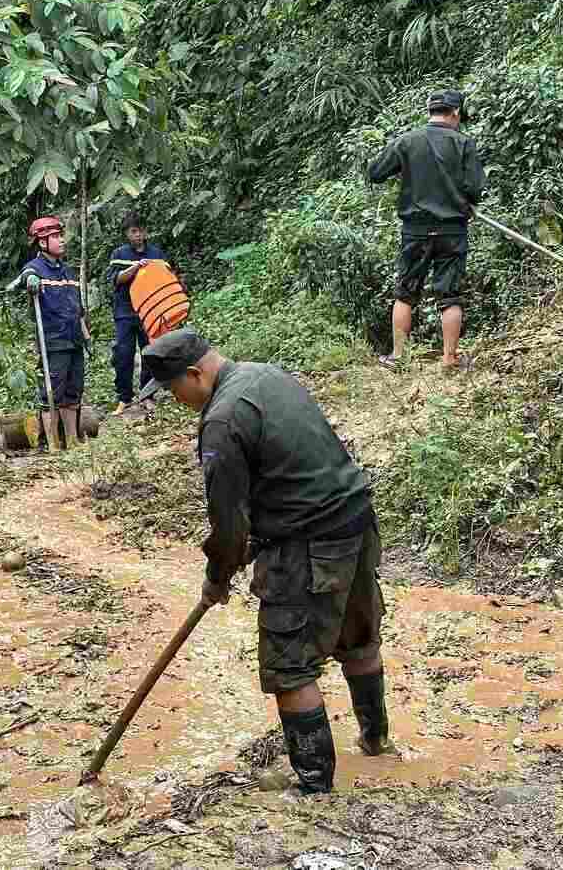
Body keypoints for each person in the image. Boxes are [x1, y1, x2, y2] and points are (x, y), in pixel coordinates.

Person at [136, 328, 390, 796]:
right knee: (358, 640)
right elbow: (290, 468)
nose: (177, 400)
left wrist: (218, 576)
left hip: (308, 545)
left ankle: (315, 789)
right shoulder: (266, 375)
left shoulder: (222, 420)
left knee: (289, 666)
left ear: (194, 374)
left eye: (174, 390)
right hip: (357, 523)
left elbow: (229, 520)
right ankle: (376, 743)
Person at [367, 89, 486, 373]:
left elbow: (375, 172)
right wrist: (465, 201)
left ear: (430, 110)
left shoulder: (407, 141)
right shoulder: (463, 143)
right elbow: (476, 189)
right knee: (450, 295)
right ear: (455, 112)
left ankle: (398, 358)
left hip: (415, 231)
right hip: (452, 231)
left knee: (405, 292)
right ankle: (450, 360)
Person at [19, 215, 91, 449]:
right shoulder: (35, 269)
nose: (62, 241)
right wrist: (30, 280)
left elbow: (77, 308)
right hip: (53, 341)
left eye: (61, 236)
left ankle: (71, 440)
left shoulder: (67, 271)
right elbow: (24, 277)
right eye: (56, 237)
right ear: (42, 242)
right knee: (52, 392)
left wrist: (86, 336)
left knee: (73, 391)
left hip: (74, 340)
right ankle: (53, 444)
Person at [106, 209, 169, 415]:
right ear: (127, 233)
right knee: (123, 355)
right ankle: (124, 398)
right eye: (133, 231)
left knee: (150, 353)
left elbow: (165, 279)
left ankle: (147, 395)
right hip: (124, 312)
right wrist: (134, 269)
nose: (137, 235)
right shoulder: (119, 254)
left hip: (149, 311)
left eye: (140, 231)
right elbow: (116, 279)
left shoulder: (156, 253)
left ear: (146, 232)